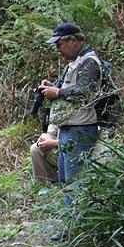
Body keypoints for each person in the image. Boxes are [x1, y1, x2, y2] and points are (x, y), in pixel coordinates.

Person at [38, 22, 102, 185]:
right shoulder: (75, 63)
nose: (58, 50)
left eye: (59, 45)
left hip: (80, 129)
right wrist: (53, 88)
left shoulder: (89, 62)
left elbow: (85, 92)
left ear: (73, 40)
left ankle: (78, 211)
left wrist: (58, 92)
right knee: (66, 181)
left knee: (76, 181)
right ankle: (68, 210)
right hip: (68, 128)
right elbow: (72, 91)